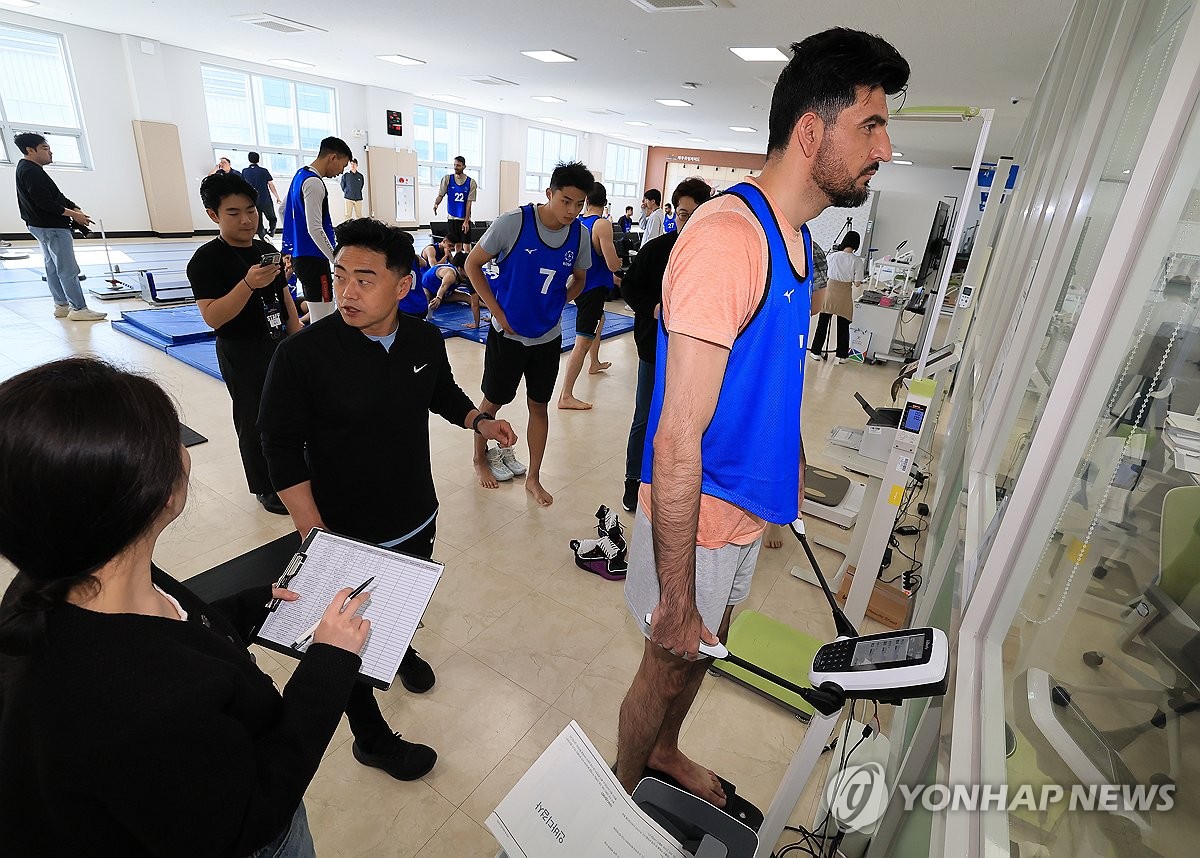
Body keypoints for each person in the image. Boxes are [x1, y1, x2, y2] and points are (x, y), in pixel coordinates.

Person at [615, 28, 907, 805]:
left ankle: (667, 752)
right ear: (811, 130)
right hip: (699, 511)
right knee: (669, 652)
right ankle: (615, 797)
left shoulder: (799, 241)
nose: (885, 146)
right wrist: (675, 596)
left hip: (746, 507)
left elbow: (769, 378)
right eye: (870, 126)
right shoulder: (727, 240)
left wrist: (794, 454)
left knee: (707, 650)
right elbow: (675, 437)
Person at [0, 357, 370, 856]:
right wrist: (330, 663)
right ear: (152, 492)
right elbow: (252, 813)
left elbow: (173, 631)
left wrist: (249, 608)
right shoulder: (142, 710)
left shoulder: (62, 572)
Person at [260, 217, 517, 781]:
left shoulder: (423, 338)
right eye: (340, 276)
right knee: (344, 640)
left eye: (365, 279)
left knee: (400, 604)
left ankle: (398, 648)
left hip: (414, 511)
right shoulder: (303, 355)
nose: (346, 292)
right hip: (341, 527)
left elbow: (440, 392)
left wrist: (478, 420)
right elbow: (277, 446)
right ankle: (371, 738)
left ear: (403, 286)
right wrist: (313, 532)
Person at [465, 161, 593, 505]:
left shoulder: (579, 234)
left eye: (579, 203)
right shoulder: (514, 222)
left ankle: (533, 478)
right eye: (565, 201)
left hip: (547, 339)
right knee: (493, 401)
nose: (572, 210)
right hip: (507, 335)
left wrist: (557, 303)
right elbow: (472, 265)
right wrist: (497, 311)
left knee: (540, 406)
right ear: (550, 193)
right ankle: (480, 459)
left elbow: (579, 279)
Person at [188, 172, 301, 515]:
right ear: (213, 215)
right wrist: (247, 284)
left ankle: (294, 473)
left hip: (278, 340)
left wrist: (297, 339)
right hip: (242, 349)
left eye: (250, 210)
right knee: (254, 418)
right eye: (233, 213)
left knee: (291, 411)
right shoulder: (206, 260)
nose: (246, 219)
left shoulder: (265, 249)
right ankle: (265, 487)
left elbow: (284, 298)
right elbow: (214, 317)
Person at [620, 177, 712, 513]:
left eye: (697, 215)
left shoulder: (715, 255)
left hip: (697, 355)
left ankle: (677, 484)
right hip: (654, 350)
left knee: (690, 420)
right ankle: (634, 480)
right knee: (645, 415)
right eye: (684, 214)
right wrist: (655, 308)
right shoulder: (657, 249)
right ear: (675, 214)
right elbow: (630, 288)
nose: (689, 221)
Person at [11, 132, 106, 321]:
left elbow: (56, 195)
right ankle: (79, 308)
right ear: (30, 150)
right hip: (51, 226)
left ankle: (61, 305)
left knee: (53, 267)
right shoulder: (31, 171)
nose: (50, 153)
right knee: (67, 269)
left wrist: (73, 206)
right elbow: (45, 203)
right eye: (45, 149)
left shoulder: (30, 168)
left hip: (41, 225)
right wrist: (75, 215)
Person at [559, 181, 623, 410]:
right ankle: (566, 395)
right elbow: (612, 263)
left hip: (580, 285)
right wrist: (619, 264)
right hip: (592, 289)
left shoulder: (578, 223)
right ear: (605, 203)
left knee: (601, 320)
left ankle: (594, 363)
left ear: (585, 200)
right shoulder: (602, 224)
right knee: (582, 341)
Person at [282, 136, 352, 323]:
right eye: (343, 166)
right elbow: (315, 228)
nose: (341, 172)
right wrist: (336, 259)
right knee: (324, 318)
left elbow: (283, 209)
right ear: (333, 157)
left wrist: (296, 238)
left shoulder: (300, 175)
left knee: (317, 314)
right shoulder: (314, 182)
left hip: (301, 257)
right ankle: (319, 351)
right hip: (314, 259)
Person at [810, 231, 862, 364]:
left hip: (829, 291)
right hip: (844, 294)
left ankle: (815, 351)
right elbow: (857, 283)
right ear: (856, 244)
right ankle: (842, 355)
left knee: (823, 322)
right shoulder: (857, 261)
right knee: (843, 325)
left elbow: (825, 273)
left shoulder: (832, 256)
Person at [423, 251, 483, 327]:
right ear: (460, 269)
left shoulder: (464, 274)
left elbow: (475, 301)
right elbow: (444, 286)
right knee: (426, 298)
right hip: (427, 289)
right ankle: (426, 316)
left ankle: (489, 307)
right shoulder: (450, 274)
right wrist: (438, 297)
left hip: (445, 292)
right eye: (468, 269)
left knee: (468, 297)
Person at [433, 155, 476, 252]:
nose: (456, 167)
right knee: (456, 244)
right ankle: (458, 263)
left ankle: (467, 263)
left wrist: (466, 221)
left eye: (459, 165)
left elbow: (469, 203)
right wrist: (436, 204)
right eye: (455, 165)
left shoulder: (471, 183)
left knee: (466, 245)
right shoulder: (447, 179)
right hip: (452, 217)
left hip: (463, 217)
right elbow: (441, 195)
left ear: (464, 166)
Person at [242, 152, 282, 240]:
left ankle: (263, 239)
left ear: (249, 159)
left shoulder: (244, 171)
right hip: (265, 200)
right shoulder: (263, 171)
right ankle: (270, 234)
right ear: (258, 160)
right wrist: (277, 197)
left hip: (252, 201)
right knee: (272, 219)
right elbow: (271, 185)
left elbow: (243, 186)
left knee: (259, 222)